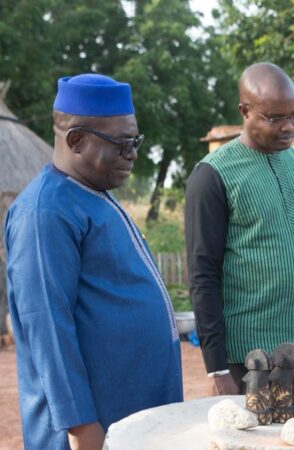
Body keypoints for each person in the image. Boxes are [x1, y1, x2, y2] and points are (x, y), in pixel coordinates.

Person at [4, 73, 183, 450]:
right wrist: (82, 428)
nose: (132, 153)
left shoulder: (92, 194)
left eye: (135, 141)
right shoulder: (45, 212)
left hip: (132, 418)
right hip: (93, 431)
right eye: (121, 143)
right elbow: (47, 326)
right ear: (76, 139)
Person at [185, 63, 294, 395]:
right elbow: (203, 276)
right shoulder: (213, 176)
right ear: (244, 111)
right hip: (247, 360)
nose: (289, 127)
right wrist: (217, 368)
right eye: (274, 118)